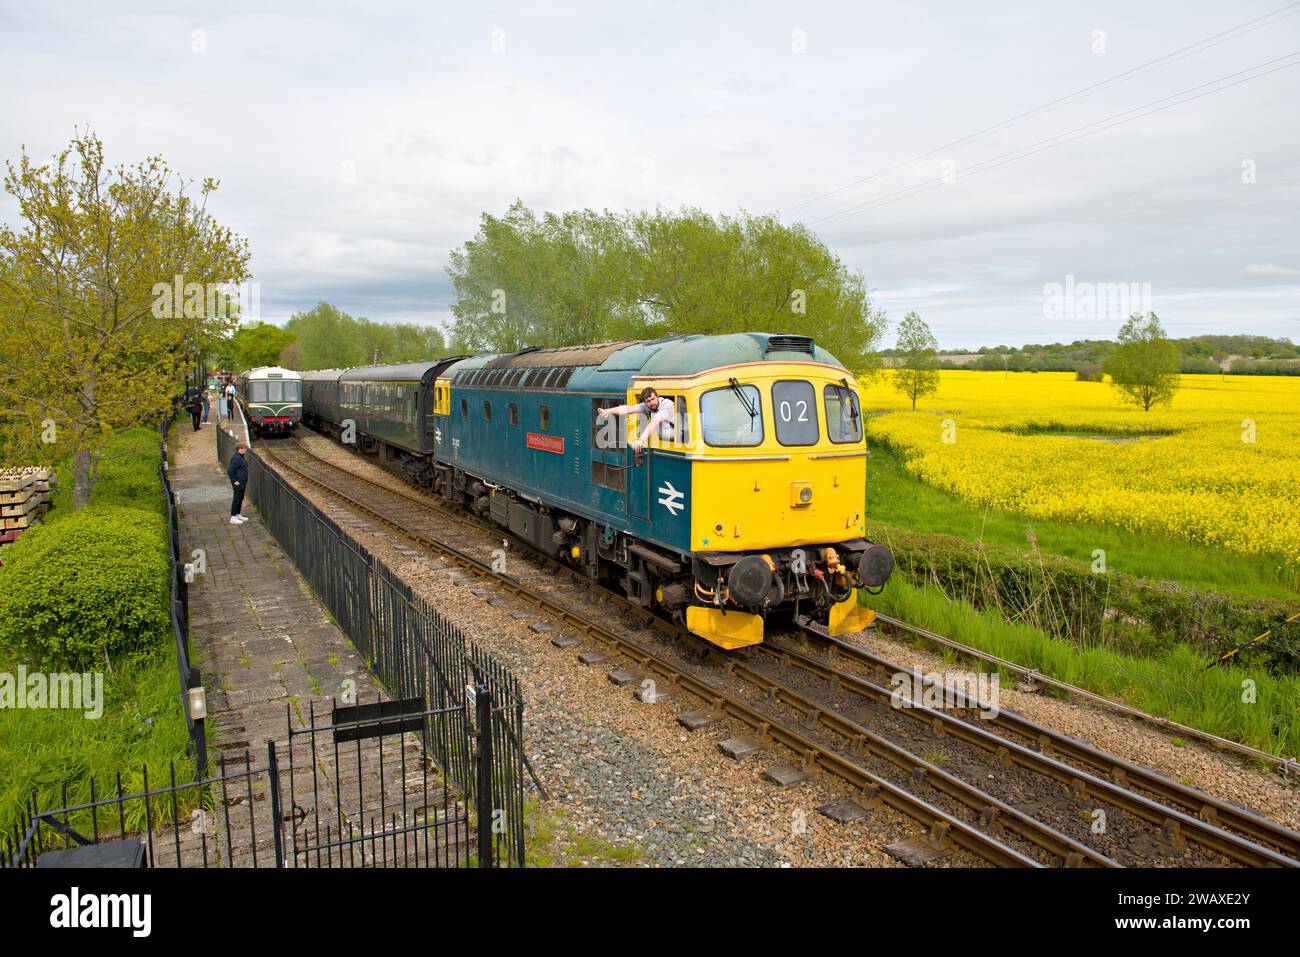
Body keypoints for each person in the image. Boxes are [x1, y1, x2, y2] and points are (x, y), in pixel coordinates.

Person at [596, 387, 676, 461]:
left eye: (653, 399)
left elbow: (654, 422)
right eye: (648, 401)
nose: (651, 403)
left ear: (657, 397)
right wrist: (607, 411)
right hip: (664, 443)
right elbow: (627, 409)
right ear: (644, 402)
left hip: (675, 443)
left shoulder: (667, 405)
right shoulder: (647, 407)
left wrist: (641, 440)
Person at [227, 443, 249, 524]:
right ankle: (233, 517)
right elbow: (230, 471)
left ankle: (237, 514)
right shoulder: (236, 458)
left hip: (242, 481)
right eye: (245, 448)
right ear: (240, 449)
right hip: (238, 482)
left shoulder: (240, 457)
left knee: (240, 498)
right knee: (237, 499)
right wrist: (235, 481)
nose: (246, 450)